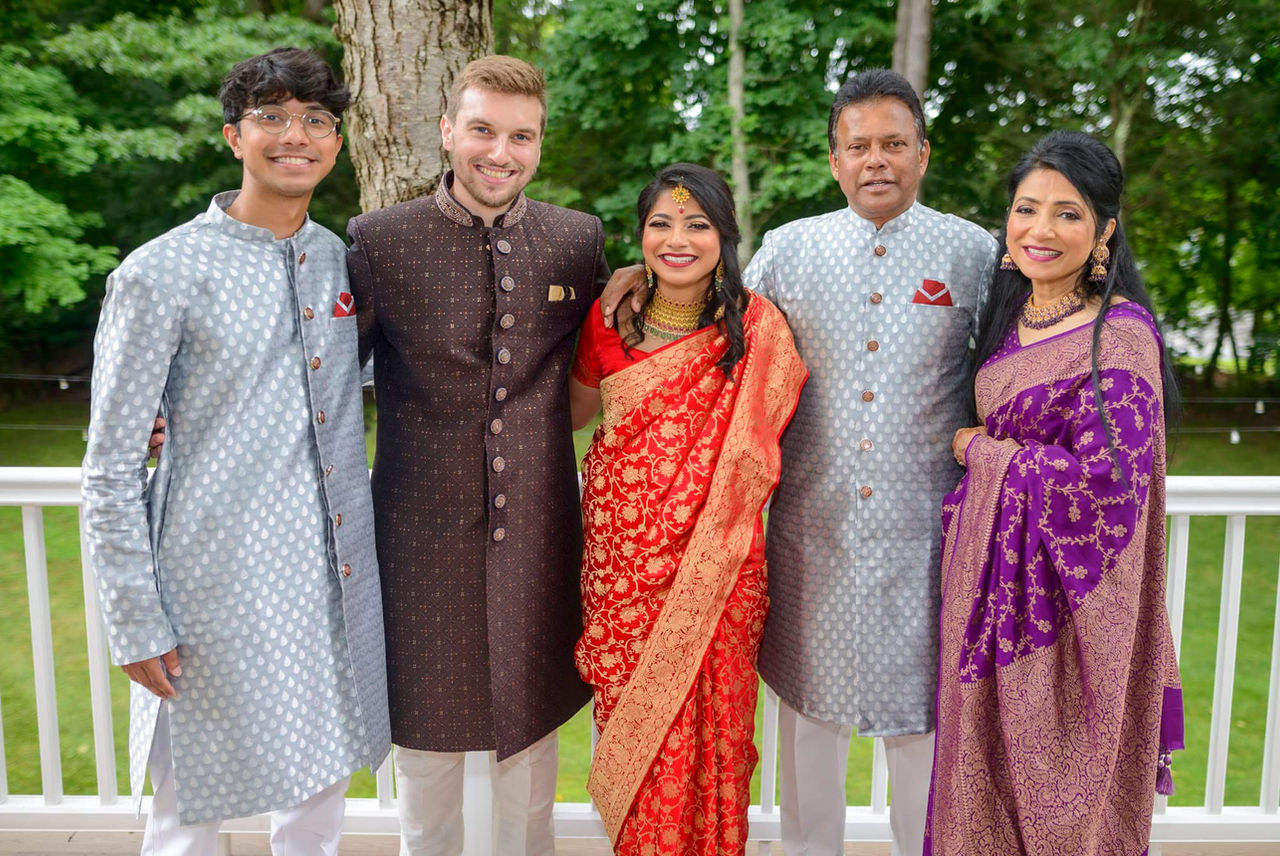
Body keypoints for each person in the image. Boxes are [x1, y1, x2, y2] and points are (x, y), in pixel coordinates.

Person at [600, 68, 997, 856]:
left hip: (928, 541)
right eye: (858, 146)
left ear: (924, 152)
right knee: (809, 733)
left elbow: (1004, 371)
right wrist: (637, 284)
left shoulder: (973, 254)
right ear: (834, 158)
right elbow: (711, 331)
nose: (875, 160)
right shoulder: (790, 249)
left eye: (893, 144)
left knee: (922, 731)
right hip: (808, 538)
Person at [81, 48, 391, 856]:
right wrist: (133, 620)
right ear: (234, 136)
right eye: (273, 117)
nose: (297, 136)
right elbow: (110, 465)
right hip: (206, 594)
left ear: (336, 142)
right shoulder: (160, 272)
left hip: (329, 589)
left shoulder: (339, 260)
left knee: (317, 817)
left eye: (316, 120)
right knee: (187, 819)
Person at [345, 55, 610, 856]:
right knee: (423, 759)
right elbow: (317, 381)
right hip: (418, 543)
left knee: (529, 757)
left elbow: (609, 367)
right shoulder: (380, 242)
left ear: (539, 142)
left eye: (521, 135)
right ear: (447, 131)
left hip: (537, 533)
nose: (501, 152)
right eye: (484, 130)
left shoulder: (575, 241)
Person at [925, 130, 1183, 855]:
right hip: (986, 599)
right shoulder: (1009, 323)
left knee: (1059, 805)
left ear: (1103, 231)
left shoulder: (1120, 337)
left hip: (1068, 616)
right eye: (1026, 209)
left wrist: (983, 449)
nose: (1040, 230)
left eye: (1066, 214)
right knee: (982, 796)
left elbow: (1111, 494)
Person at [571, 164, 807, 855]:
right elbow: (575, 416)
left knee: (715, 744)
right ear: (640, 235)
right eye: (661, 224)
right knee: (633, 743)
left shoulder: (758, 329)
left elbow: (761, 450)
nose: (678, 239)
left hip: (721, 568)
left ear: (724, 236)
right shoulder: (609, 315)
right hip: (622, 568)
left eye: (697, 225)